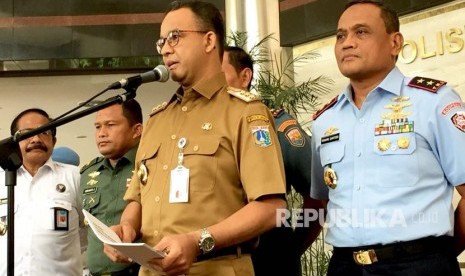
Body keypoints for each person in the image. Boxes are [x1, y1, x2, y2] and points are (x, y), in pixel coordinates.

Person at [103, 1, 286, 275]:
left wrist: (196, 241)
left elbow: (272, 208)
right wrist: (126, 228)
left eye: (175, 37)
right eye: (161, 41)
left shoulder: (244, 112)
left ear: (209, 40)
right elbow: (137, 199)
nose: (165, 49)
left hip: (216, 267)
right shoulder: (157, 121)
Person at [310, 1, 465, 275]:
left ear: (395, 43)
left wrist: (438, 253)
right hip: (345, 266)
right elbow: (326, 199)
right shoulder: (325, 119)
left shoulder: (432, 102)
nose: (347, 43)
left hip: (418, 264)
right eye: (340, 36)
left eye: (361, 32)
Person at [222, 45, 323, 276]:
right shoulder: (204, 133)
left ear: (244, 76)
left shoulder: (276, 127)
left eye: (219, 75)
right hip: (221, 259)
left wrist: (292, 248)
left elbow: (316, 197)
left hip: (269, 255)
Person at [0, 108, 83, 275]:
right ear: (14, 141)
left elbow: (89, 234)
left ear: (54, 139)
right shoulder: (2, 179)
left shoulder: (75, 177)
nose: (36, 139)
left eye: (44, 132)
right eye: (27, 133)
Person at [80, 99, 143, 276]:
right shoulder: (88, 173)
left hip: (139, 271)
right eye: (98, 127)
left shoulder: (151, 165)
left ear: (136, 130)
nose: (102, 133)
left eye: (110, 125)